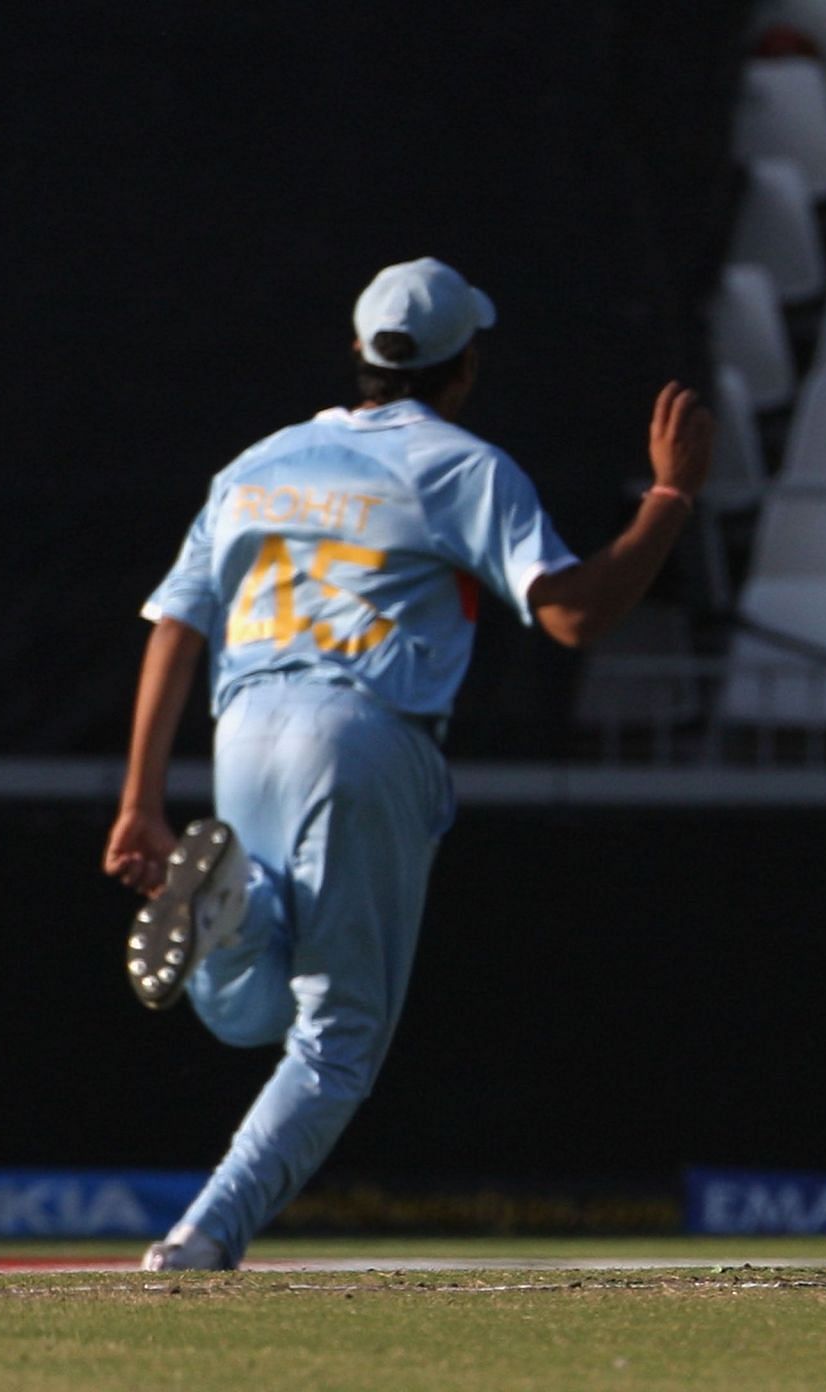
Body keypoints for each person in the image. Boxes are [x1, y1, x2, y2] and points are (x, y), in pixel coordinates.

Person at [103, 257, 713, 1271]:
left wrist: (137, 801)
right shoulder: (463, 467)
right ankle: (203, 1238)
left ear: (358, 354)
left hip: (244, 726)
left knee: (245, 1006)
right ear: (463, 370)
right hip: (363, 732)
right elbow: (574, 615)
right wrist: (671, 497)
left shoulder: (261, 462)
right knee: (336, 1040)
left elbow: (175, 622)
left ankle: (238, 906)